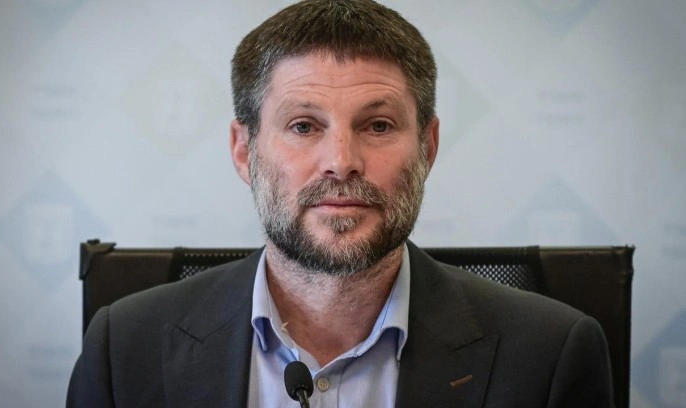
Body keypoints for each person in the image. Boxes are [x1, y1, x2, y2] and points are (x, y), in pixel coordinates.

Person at [67, 1, 614, 407]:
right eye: (304, 126)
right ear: (243, 151)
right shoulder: (125, 348)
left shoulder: (551, 354)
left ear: (427, 148)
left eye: (378, 125)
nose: (341, 161)